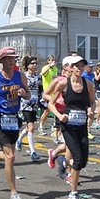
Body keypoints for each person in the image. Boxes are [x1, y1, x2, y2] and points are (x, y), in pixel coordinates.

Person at [48, 55, 96, 199]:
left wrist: (90, 110)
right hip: (68, 126)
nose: (80, 68)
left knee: (83, 161)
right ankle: (74, 193)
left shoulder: (87, 84)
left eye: (82, 66)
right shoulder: (63, 84)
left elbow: (93, 102)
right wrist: (59, 115)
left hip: (81, 125)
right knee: (77, 158)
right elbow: (50, 103)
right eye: (77, 66)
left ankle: (63, 160)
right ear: (71, 68)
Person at [0, 46, 31, 199]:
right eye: (9, 58)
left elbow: (29, 94)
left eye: (14, 58)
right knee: (10, 157)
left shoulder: (20, 76)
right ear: (2, 60)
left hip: (13, 119)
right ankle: (14, 194)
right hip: (0, 118)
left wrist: (25, 95)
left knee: (9, 156)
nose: (12, 61)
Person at [43, 56, 73, 185]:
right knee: (71, 144)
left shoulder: (78, 81)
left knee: (71, 144)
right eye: (71, 67)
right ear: (65, 69)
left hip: (74, 114)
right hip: (61, 113)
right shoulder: (59, 81)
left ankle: (54, 153)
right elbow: (45, 94)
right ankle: (69, 173)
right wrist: (56, 100)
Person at [15, 56, 40, 161]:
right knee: (31, 127)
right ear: (28, 65)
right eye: (32, 63)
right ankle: (33, 152)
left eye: (36, 63)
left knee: (30, 127)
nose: (35, 65)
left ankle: (19, 139)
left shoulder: (39, 77)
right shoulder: (23, 76)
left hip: (34, 104)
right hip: (25, 104)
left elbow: (41, 90)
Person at [38, 55, 58, 135]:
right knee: (47, 111)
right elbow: (43, 73)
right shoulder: (46, 67)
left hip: (54, 93)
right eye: (51, 60)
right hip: (47, 92)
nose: (53, 62)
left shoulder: (55, 69)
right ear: (48, 61)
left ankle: (55, 126)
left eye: (54, 60)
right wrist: (49, 66)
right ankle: (41, 126)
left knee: (56, 110)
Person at [82, 60, 95, 139]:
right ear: (86, 67)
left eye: (92, 67)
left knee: (91, 113)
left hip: (91, 95)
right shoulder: (83, 75)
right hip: (84, 96)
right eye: (90, 67)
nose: (91, 68)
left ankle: (88, 130)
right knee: (85, 114)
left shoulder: (92, 75)